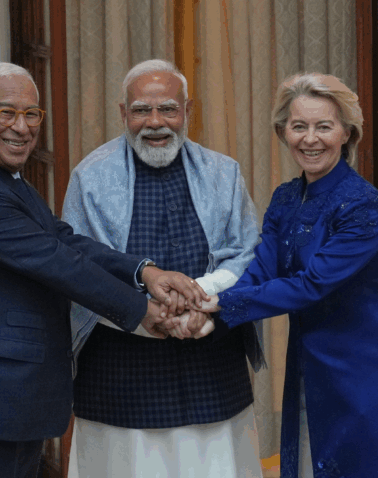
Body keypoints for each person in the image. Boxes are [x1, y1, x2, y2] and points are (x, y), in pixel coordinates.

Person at [0, 62, 205, 478]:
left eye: (32, 114)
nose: (22, 127)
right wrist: (143, 312)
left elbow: (64, 240)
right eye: (7, 112)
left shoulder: (0, 178)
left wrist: (146, 273)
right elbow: (58, 264)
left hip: (5, 400)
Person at [201, 73, 378, 477]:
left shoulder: (363, 206)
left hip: (365, 378)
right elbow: (262, 268)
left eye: (324, 126)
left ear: (346, 133)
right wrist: (205, 302)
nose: (311, 139)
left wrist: (221, 305)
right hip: (309, 370)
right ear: (282, 132)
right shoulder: (286, 197)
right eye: (299, 126)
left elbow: (312, 285)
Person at [62, 59, 265, 477]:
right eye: (141, 110)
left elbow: (247, 253)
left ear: (188, 111)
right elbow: (78, 267)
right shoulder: (90, 177)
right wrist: (145, 316)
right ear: (123, 114)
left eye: (168, 109)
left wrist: (199, 299)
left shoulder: (223, 172)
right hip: (119, 374)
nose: (155, 122)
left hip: (211, 364)